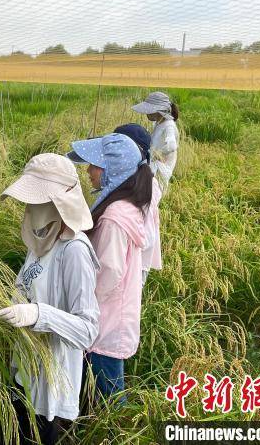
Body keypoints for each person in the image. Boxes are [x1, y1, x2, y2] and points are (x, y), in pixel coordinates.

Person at [0, 154, 99, 444]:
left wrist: (39, 315)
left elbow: (88, 329)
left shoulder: (73, 251)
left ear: (58, 203)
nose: (29, 208)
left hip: (51, 389)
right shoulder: (40, 240)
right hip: (24, 372)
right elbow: (28, 284)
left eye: (37, 201)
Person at [67, 133, 152, 403]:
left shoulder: (114, 216)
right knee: (104, 389)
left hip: (106, 321)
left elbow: (108, 272)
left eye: (94, 165)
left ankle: (121, 431)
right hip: (114, 316)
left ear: (112, 169)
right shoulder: (124, 204)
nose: (89, 171)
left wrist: (80, 305)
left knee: (111, 399)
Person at [114, 124, 163, 286]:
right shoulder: (137, 179)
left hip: (136, 261)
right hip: (132, 259)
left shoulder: (146, 185)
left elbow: (147, 235)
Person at [131, 91, 180, 189]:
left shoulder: (168, 126)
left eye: (149, 111)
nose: (146, 114)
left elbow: (171, 146)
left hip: (160, 172)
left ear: (158, 111)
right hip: (152, 169)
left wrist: (157, 155)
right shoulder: (158, 123)